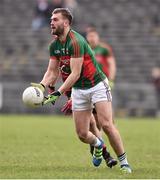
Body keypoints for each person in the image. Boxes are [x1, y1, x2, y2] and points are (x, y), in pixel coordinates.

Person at [31, 8, 132, 173]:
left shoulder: (76, 41)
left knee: (106, 124)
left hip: (97, 85)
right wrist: (42, 86)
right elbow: (51, 71)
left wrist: (58, 92)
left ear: (66, 23)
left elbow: (75, 73)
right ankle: (98, 144)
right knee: (82, 134)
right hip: (79, 89)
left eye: (55, 19)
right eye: (51, 19)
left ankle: (124, 162)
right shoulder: (54, 45)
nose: (51, 22)